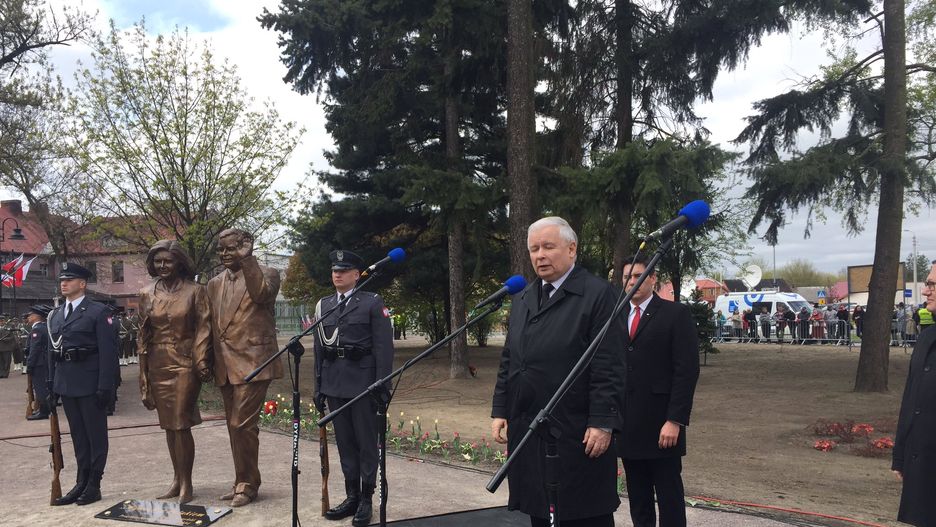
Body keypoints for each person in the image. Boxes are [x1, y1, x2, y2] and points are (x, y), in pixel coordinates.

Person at [491, 217, 624, 527]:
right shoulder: (525, 297)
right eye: (534, 249)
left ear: (572, 249)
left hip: (575, 428)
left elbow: (610, 365)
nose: (540, 255)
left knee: (582, 512)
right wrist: (501, 409)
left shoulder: (598, 294)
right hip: (530, 425)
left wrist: (603, 422)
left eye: (549, 247)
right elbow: (510, 358)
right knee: (539, 509)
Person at [617, 253, 700, 527]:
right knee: (638, 497)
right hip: (628, 424)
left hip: (661, 424)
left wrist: (675, 420)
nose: (633, 282)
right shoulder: (616, 316)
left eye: (639, 276)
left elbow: (686, 371)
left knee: (668, 496)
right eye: (628, 277)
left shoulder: (675, 314)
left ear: (652, 279)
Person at [313, 249, 394, 526]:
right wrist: (319, 385)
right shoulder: (324, 305)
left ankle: (367, 499)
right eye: (334, 270)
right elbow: (319, 348)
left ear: (356, 275)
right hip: (335, 383)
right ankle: (351, 496)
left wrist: (382, 384)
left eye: (344, 270)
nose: (337, 274)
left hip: (363, 385)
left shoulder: (372, 302)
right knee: (346, 444)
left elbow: (384, 348)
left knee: (365, 444)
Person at [207, 228, 283, 507]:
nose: (226, 254)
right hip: (225, 364)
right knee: (234, 427)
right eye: (222, 249)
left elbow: (262, 295)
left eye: (232, 249)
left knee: (242, 424)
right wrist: (204, 359)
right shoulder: (214, 283)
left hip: (255, 362)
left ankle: (248, 485)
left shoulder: (268, 273)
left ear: (246, 247)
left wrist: (248, 260)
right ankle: (242, 480)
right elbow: (210, 325)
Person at [138, 240, 212, 504]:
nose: (162, 266)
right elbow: (143, 337)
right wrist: (143, 376)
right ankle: (177, 479)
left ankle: (187, 483)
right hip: (158, 363)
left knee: (181, 423)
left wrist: (201, 358)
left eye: (168, 261)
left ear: (180, 262)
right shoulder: (146, 293)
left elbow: (204, 328)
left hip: (185, 363)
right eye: (158, 261)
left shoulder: (196, 291)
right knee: (169, 426)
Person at [48, 262, 120, 506]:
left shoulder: (98, 312)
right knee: (78, 436)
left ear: (82, 284)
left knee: (95, 435)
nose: (63, 283)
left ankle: (94, 484)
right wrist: (51, 385)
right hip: (66, 383)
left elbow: (108, 353)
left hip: (91, 383)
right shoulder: (56, 314)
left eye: (69, 279)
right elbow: (53, 350)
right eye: (62, 280)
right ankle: (81, 482)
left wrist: (105, 387)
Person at [893, 264, 936, 526]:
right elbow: (911, 400)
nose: (926, 290)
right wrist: (901, 454)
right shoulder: (926, 339)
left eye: (932, 285)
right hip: (923, 467)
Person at [25, 305, 53, 420]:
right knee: (43, 387)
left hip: (39, 363)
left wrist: (30, 365)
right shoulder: (45, 327)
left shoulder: (37, 329)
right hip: (45, 362)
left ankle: (44, 411)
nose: (28, 317)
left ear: (37, 316)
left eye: (30, 315)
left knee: (40, 388)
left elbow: (35, 349)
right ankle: (43, 410)